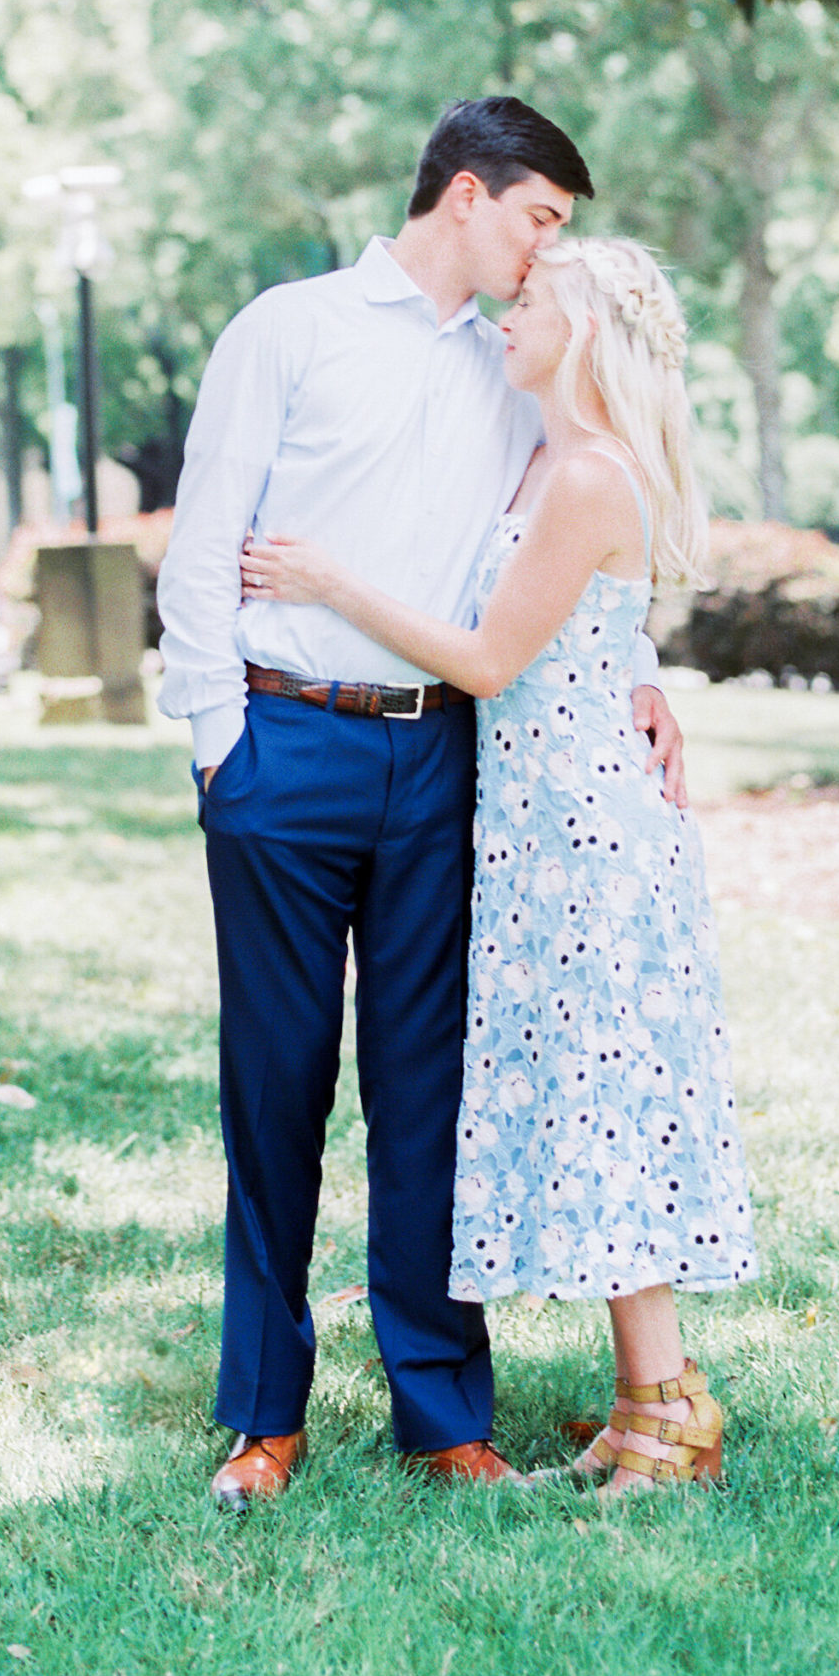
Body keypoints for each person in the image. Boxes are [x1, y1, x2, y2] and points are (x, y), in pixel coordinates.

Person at [156, 99, 688, 1510]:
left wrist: (636, 671)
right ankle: (265, 1414)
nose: (544, 254)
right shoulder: (293, 328)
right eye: (538, 219)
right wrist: (222, 745)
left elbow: (579, 526)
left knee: (429, 1100)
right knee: (273, 1092)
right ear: (468, 195)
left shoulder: (518, 364)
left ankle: (443, 1412)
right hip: (286, 747)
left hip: (449, 761)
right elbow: (205, 538)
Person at [241, 235, 756, 1495]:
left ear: (581, 333)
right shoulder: (542, 458)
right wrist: (644, 677)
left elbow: (483, 659)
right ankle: (646, 1408)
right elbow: (593, 632)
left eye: (533, 302)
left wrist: (324, 580)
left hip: (588, 840)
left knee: (611, 1109)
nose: (510, 315)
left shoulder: (589, 473)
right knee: (592, 1104)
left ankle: (672, 1406)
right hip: (534, 833)